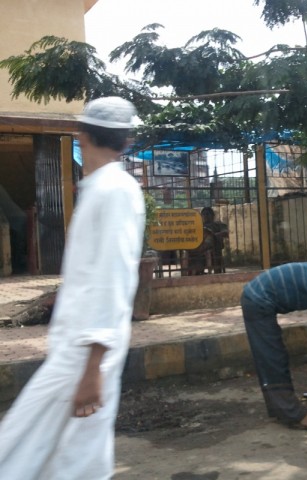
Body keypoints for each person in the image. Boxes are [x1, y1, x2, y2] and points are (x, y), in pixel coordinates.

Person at [0, 97, 145, 479]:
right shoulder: (101, 188)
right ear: (126, 141)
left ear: (81, 135)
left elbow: (113, 279)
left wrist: (92, 368)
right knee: (46, 451)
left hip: (85, 356)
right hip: (77, 350)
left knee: (46, 453)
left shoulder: (114, 191)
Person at [241, 262, 307, 430]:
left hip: (258, 297)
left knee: (273, 355)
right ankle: (292, 415)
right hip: (257, 300)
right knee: (272, 358)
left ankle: (281, 408)